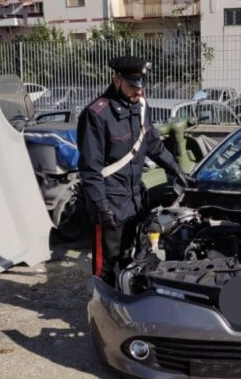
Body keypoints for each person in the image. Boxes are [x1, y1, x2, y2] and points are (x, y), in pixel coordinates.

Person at [77, 55, 189, 287]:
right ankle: (101, 310)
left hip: (136, 200)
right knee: (105, 267)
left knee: (133, 258)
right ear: (116, 79)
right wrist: (101, 207)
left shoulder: (140, 106)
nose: (138, 92)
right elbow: (90, 170)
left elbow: (153, 145)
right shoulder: (97, 115)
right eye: (132, 86)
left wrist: (177, 170)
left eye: (141, 86)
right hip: (110, 204)